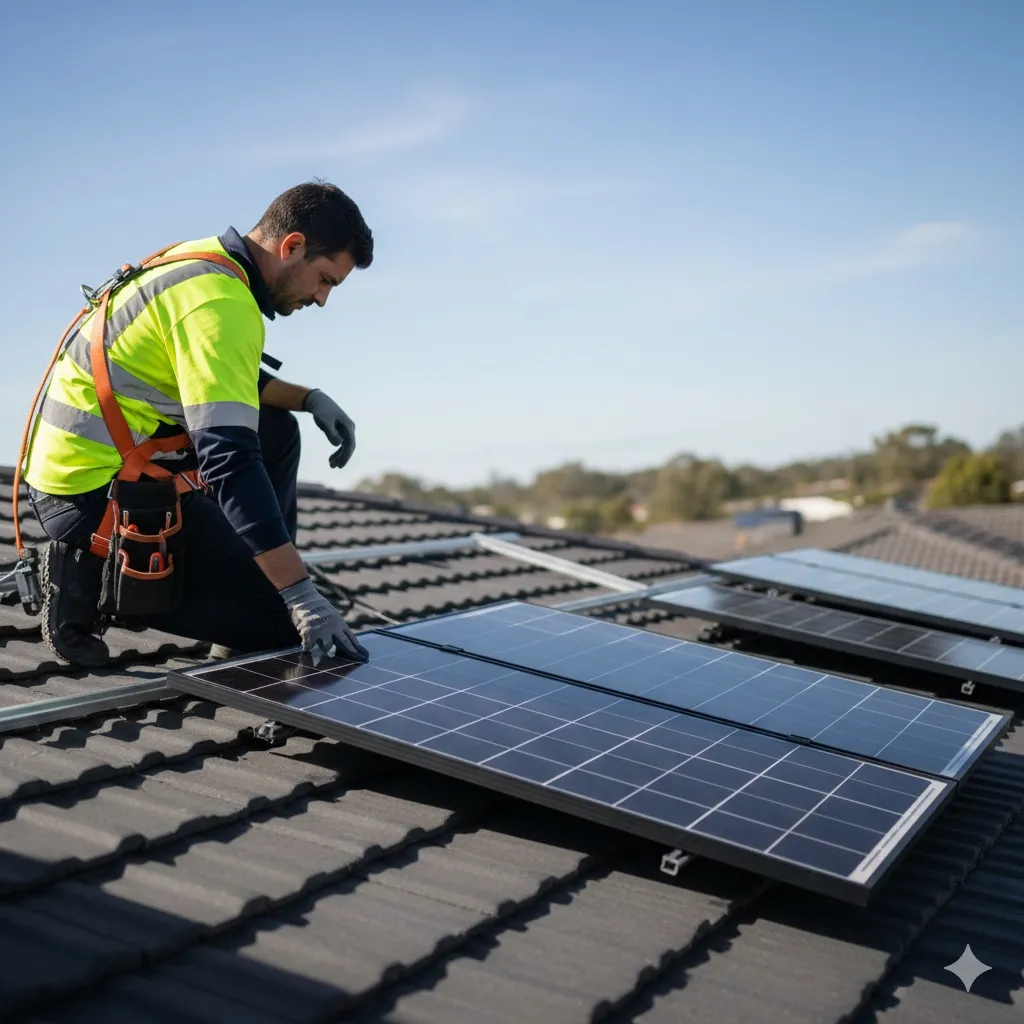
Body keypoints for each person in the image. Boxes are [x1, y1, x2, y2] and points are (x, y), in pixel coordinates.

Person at [20, 180, 372, 669]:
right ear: (292, 246)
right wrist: (301, 597)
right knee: (279, 625)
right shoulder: (223, 304)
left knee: (277, 428)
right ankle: (89, 580)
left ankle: (254, 569)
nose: (322, 298)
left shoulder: (204, 261)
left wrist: (309, 399)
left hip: (89, 467)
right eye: (326, 279)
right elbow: (230, 464)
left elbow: (220, 374)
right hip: (90, 498)